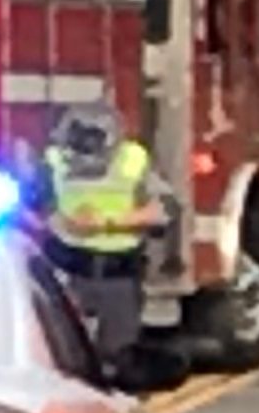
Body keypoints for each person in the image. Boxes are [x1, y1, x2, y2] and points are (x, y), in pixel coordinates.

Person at [31, 102, 162, 360]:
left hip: (119, 274)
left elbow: (162, 211)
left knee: (118, 353)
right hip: (65, 270)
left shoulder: (133, 161)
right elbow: (28, 207)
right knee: (62, 352)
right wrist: (57, 222)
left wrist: (106, 222)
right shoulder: (53, 161)